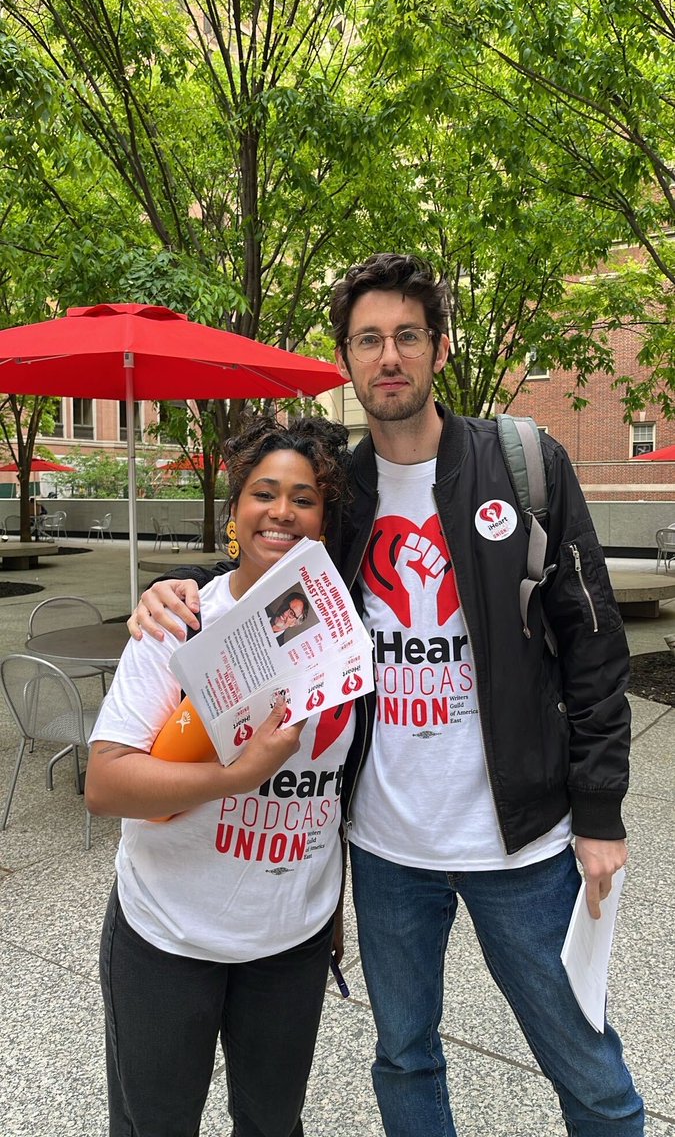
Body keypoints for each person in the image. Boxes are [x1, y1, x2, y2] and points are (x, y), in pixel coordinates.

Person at [128, 254, 644, 1136]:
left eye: (407, 335)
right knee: (404, 1057)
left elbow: (594, 644)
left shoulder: (522, 464)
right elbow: (268, 569)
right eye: (368, 340)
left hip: (518, 843)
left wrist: (599, 812)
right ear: (349, 360)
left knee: (587, 1067)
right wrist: (177, 580)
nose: (389, 356)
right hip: (386, 848)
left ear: (437, 349)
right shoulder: (347, 494)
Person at [86, 416, 354, 1137]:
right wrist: (238, 777)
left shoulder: (347, 640)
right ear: (235, 510)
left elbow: (337, 797)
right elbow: (106, 784)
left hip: (289, 943)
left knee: (273, 1125)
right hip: (166, 938)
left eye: (304, 498)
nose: (282, 511)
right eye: (263, 493)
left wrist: (332, 906)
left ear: (324, 519)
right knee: (156, 1126)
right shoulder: (179, 621)